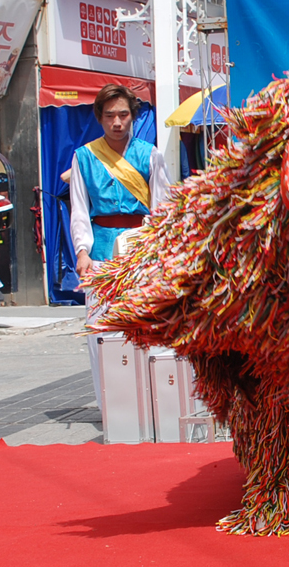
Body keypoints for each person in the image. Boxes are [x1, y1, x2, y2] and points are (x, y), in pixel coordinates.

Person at [69, 84, 171, 408]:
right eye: (110, 115)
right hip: (100, 253)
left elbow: (163, 207)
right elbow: (80, 210)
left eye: (123, 115)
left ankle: (153, 401)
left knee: (147, 324)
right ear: (99, 117)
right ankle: (110, 405)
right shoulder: (83, 157)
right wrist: (82, 251)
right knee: (101, 328)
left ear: (133, 116)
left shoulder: (150, 154)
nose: (117, 122)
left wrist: (161, 251)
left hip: (142, 251)